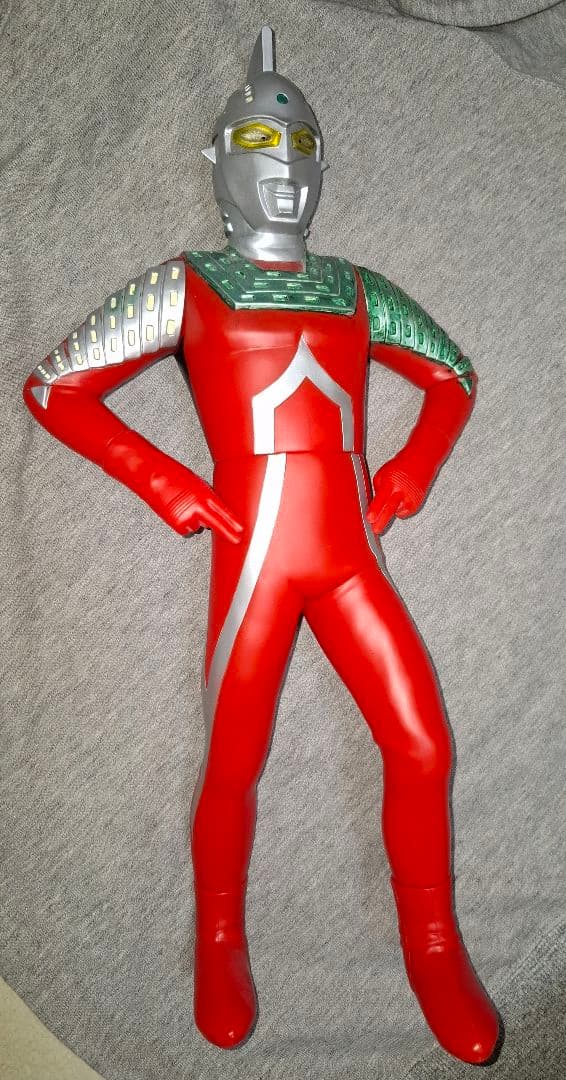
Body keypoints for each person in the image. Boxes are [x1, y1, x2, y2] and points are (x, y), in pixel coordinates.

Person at [23, 25, 500, 1063]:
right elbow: (56, 387)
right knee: (235, 759)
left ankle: (432, 945)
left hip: (347, 554)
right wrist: (168, 482)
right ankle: (218, 938)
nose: (283, 165)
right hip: (254, 560)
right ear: (217, 159)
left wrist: (412, 468)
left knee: (422, 742)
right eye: (256, 140)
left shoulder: (356, 288)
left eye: (301, 144)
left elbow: (452, 374)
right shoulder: (185, 284)